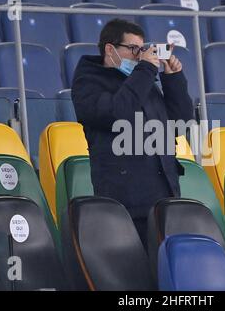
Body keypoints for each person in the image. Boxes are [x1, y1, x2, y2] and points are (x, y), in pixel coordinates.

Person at [71, 19, 194, 245]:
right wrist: (146, 69)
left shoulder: (141, 79)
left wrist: (172, 79)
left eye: (142, 49)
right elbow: (117, 113)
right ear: (110, 49)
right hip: (124, 204)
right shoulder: (88, 82)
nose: (140, 55)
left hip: (164, 198)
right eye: (134, 49)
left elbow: (181, 123)